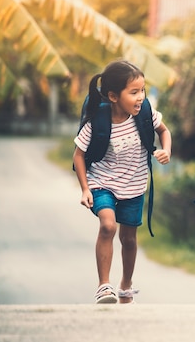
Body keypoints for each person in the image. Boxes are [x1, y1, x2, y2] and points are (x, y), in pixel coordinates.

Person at [73, 59, 172, 304]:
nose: (141, 97)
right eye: (134, 92)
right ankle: (104, 286)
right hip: (102, 184)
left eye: (143, 91)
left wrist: (166, 150)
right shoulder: (97, 121)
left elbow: (164, 131)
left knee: (129, 239)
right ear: (114, 96)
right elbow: (78, 156)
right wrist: (85, 189)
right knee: (108, 226)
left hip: (134, 186)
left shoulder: (145, 114)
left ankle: (125, 285)